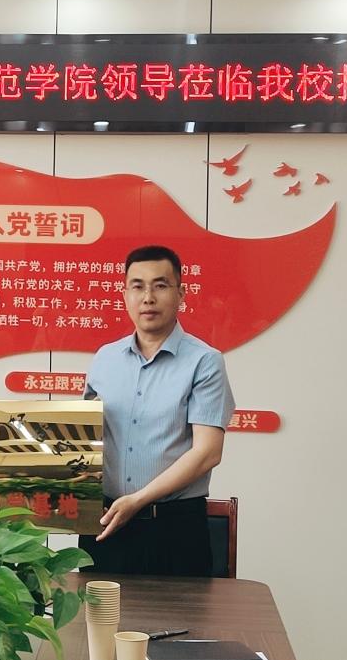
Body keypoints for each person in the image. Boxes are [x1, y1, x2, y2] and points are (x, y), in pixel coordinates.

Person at [78, 245, 234, 576]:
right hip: (105, 524)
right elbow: (81, 438)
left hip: (174, 530)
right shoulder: (104, 359)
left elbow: (207, 453)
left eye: (160, 285)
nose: (148, 297)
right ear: (124, 294)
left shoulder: (204, 362)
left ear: (181, 294)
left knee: (180, 613)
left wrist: (138, 500)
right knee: (95, 611)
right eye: (137, 286)